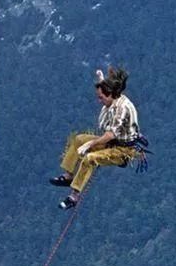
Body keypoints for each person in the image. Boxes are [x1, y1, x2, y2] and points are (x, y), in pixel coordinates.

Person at [49, 66, 141, 210]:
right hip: (111, 142)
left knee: (90, 158)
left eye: (101, 98)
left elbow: (111, 134)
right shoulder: (113, 97)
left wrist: (90, 144)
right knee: (79, 140)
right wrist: (101, 79)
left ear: (110, 95)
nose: (99, 101)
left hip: (123, 149)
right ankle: (68, 176)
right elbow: (107, 88)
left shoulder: (122, 109)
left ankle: (74, 196)